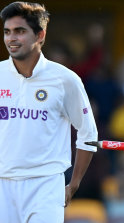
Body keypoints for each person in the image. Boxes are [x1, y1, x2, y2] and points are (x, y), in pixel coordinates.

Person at [0, 2, 98, 222]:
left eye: (20, 31)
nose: (11, 38)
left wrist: (74, 184)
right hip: (2, 185)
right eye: (7, 32)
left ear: (40, 35)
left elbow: (88, 134)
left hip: (46, 185)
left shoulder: (66, 79)